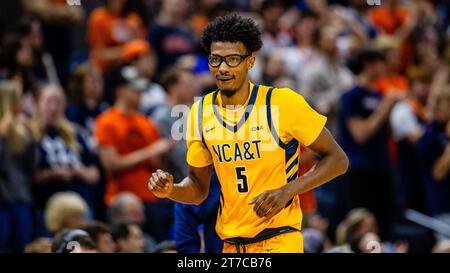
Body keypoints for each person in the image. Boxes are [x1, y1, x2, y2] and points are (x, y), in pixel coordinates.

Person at [148, 14, 349, 253]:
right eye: (215, 60)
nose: (222, 68)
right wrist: (171, 190)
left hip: (279, 239)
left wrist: (288, 190)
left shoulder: (282, 102)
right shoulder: (198, 113)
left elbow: (338, 160)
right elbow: (198, 189)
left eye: (232, 59)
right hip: (232, 245)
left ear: (250, 61)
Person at [94, 66, 175, 242]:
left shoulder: (146, 122)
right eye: (134, 90)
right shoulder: (107, 121)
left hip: (153, 199)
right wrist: (151, 151)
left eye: (141, 91)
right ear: (120, 90)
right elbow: (111, 164)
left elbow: (156, 164)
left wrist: (166, 150)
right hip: (123, 201)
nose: (140, 95)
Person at [0, 80, 36, 252]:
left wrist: (32, 138)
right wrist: (2, 137)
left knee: (21, 247)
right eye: (19, 99)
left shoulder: (21, 129)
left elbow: (32, 166)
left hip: (20, 198)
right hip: (2, 201)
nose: (22, 104)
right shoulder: (4, 131)